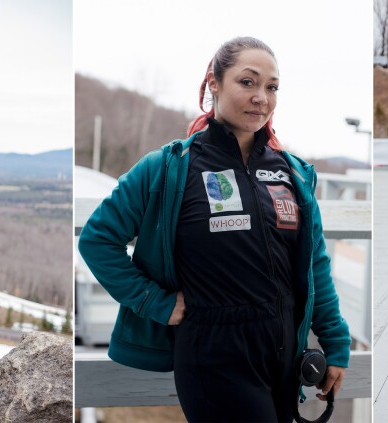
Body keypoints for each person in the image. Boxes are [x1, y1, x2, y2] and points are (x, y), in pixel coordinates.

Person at [78, 37, 350, 422]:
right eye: (248, 82)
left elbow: (314, 264)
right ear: (214, 83)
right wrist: (154, 301)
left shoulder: (291, 173)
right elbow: (97, 240)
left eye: (272, 87)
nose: (261, 97)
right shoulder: (169, 168)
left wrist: (336, 344)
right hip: (213, 356)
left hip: (284, 355)